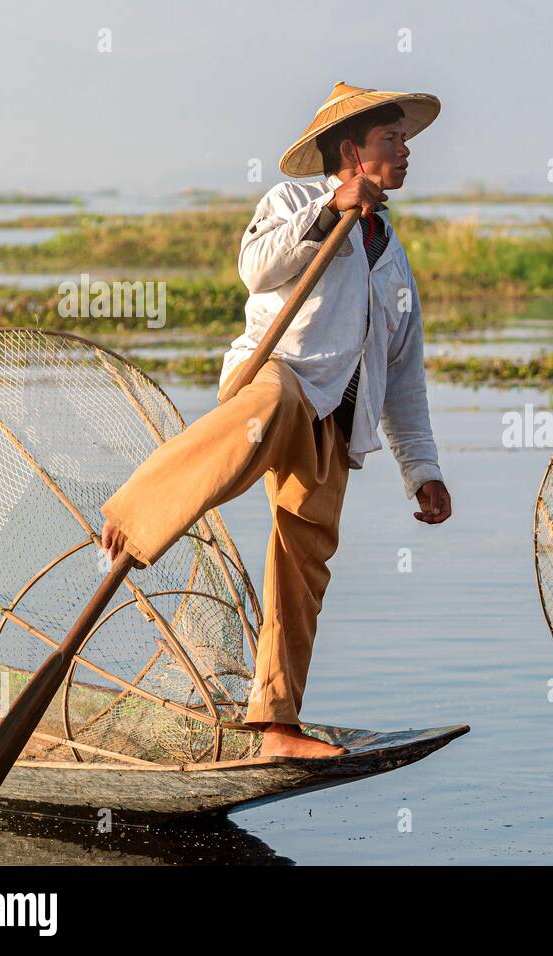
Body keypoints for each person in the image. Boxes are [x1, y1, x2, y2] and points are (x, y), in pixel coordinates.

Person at [100, 82, 452, 758]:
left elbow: (403, 374)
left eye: (404, 140)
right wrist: (330, 208)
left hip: (334, 422)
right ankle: (139, 510)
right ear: (352, 150)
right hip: (275, 379)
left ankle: (276, 725)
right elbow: (256, 269)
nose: (406, 152)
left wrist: (423, 470)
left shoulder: (393, 253)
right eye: (392, 140)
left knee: (304, 559)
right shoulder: (292, 202)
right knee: (270, 409)